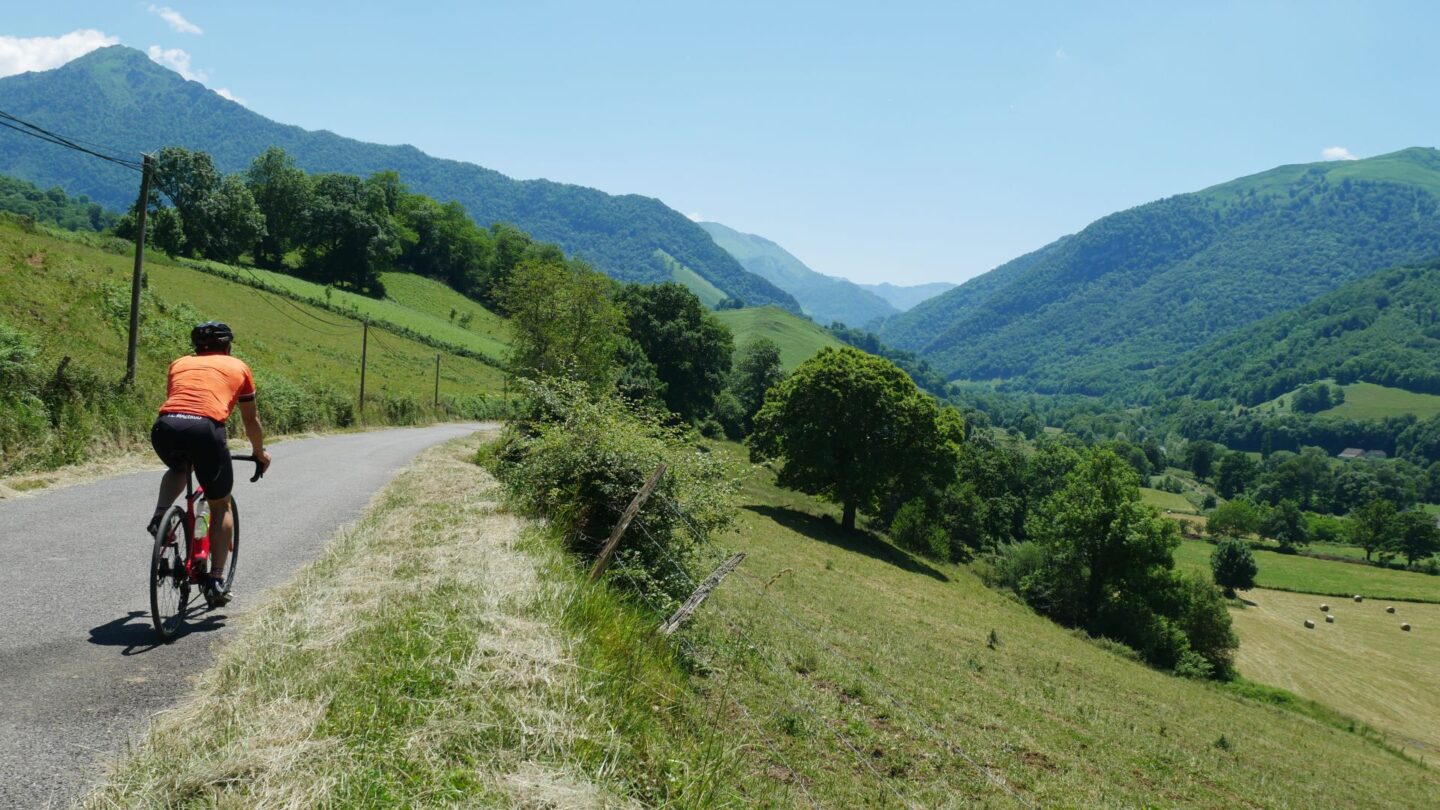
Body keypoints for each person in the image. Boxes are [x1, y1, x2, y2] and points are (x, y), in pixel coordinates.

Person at [147, 321, 271, 606]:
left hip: (165, 426)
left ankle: (160, 516)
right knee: (220, 504)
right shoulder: (238, 367)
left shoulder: (179, 363)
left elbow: (182, 401)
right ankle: (215, 580)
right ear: (227, 346)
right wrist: (260, 453)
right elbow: (250, 420)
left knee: (179, 467)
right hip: (205, 430)